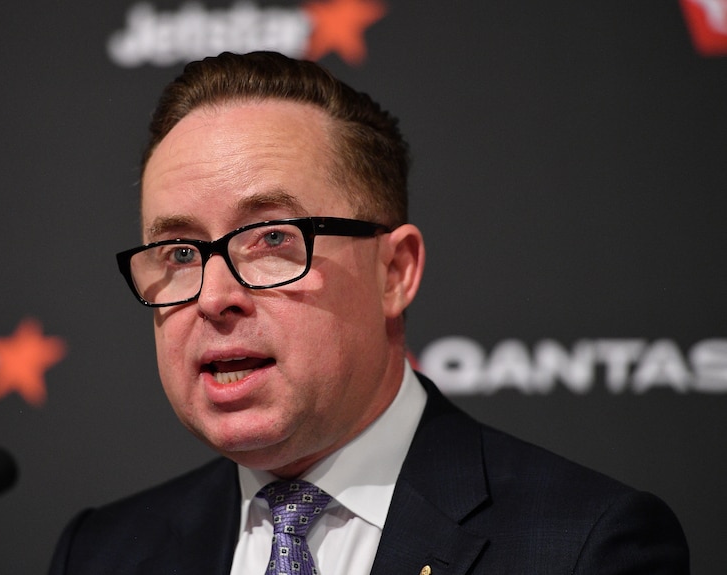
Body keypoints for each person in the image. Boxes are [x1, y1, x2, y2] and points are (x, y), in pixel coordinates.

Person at [49, 51, 689, 574]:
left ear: (394, 273)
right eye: (182, 251)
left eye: (273, 239)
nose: (214, 297)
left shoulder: (585, 547)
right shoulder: (103, 553)